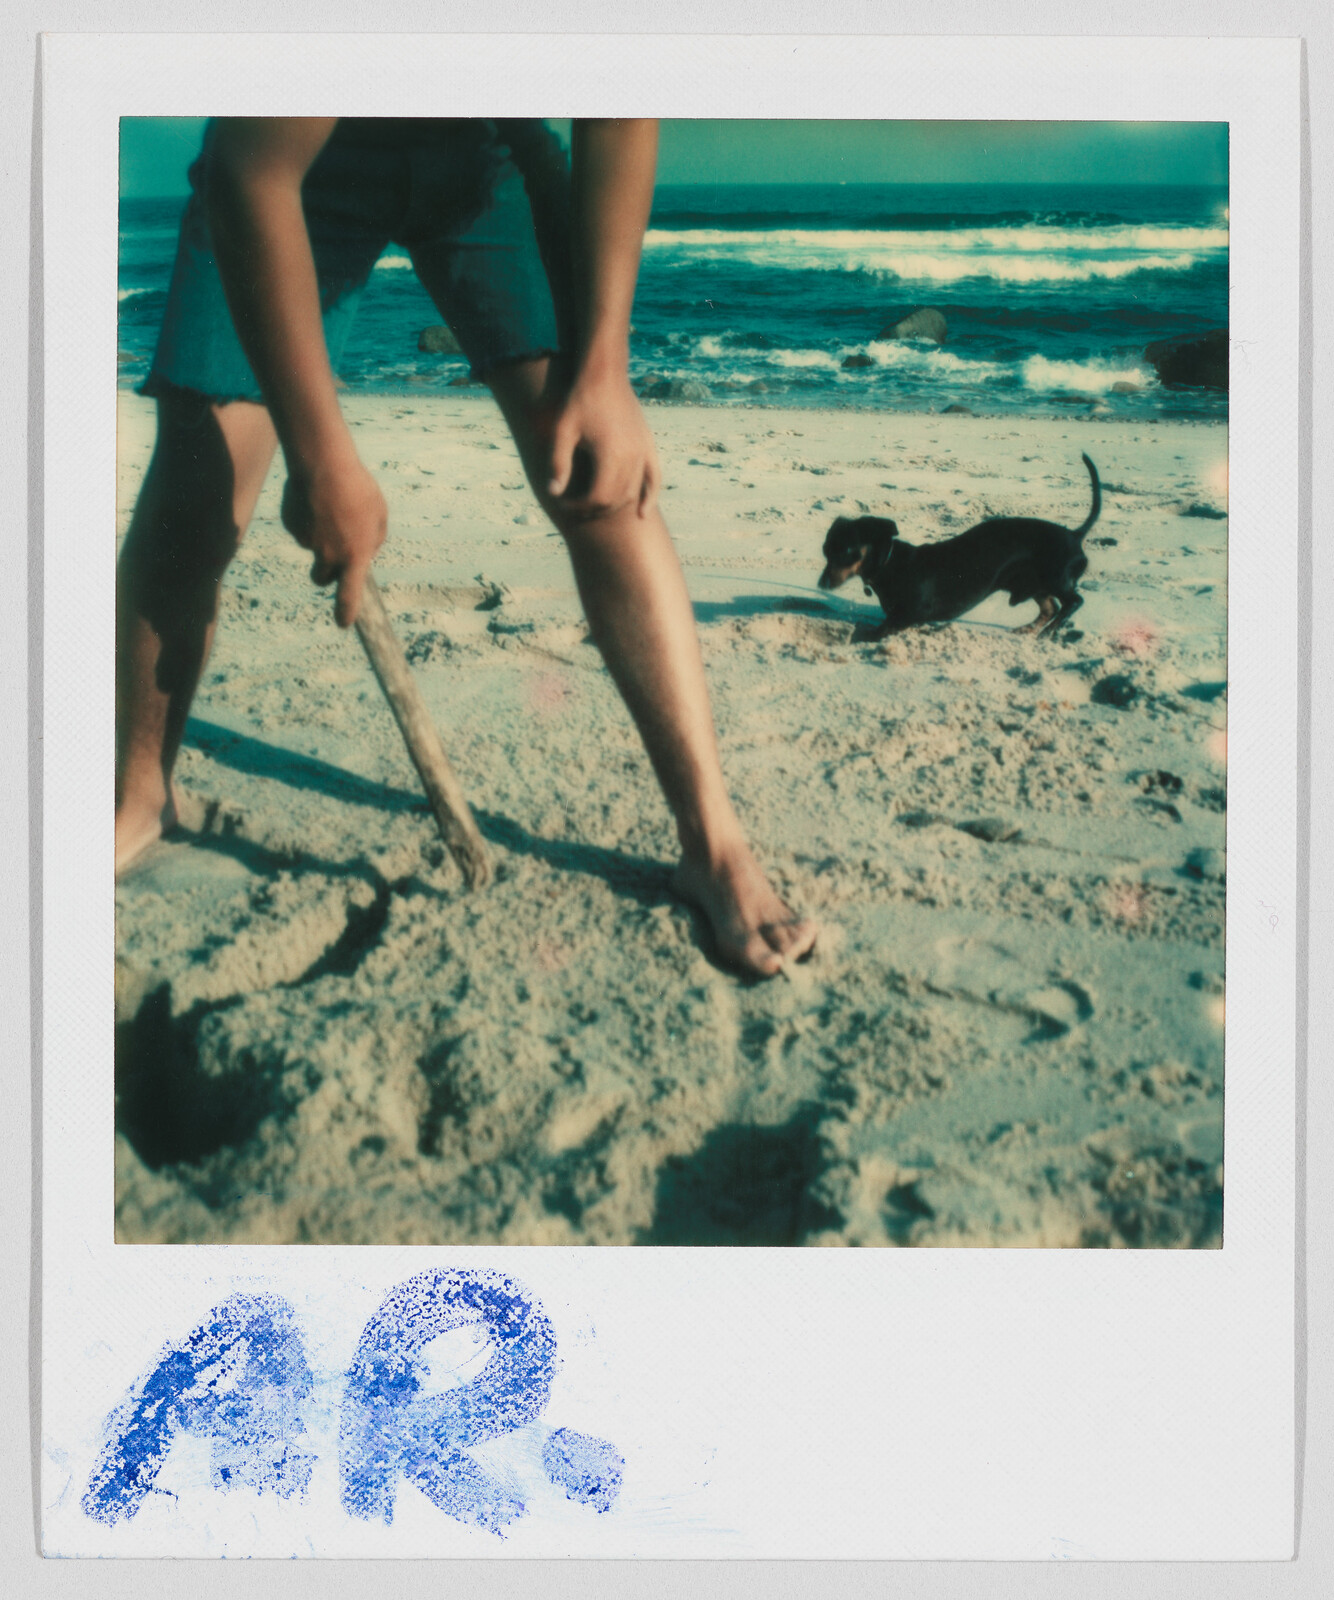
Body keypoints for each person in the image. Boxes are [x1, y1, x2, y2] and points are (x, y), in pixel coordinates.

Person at [115, 116, 817, 979]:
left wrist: (603, 369)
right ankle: (136, 796)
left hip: (488, 151)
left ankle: (714, 841)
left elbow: (618, 112)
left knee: (597, 472)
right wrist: (320, 454)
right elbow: (252, 174)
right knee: (198, 493)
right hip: (294, 162)